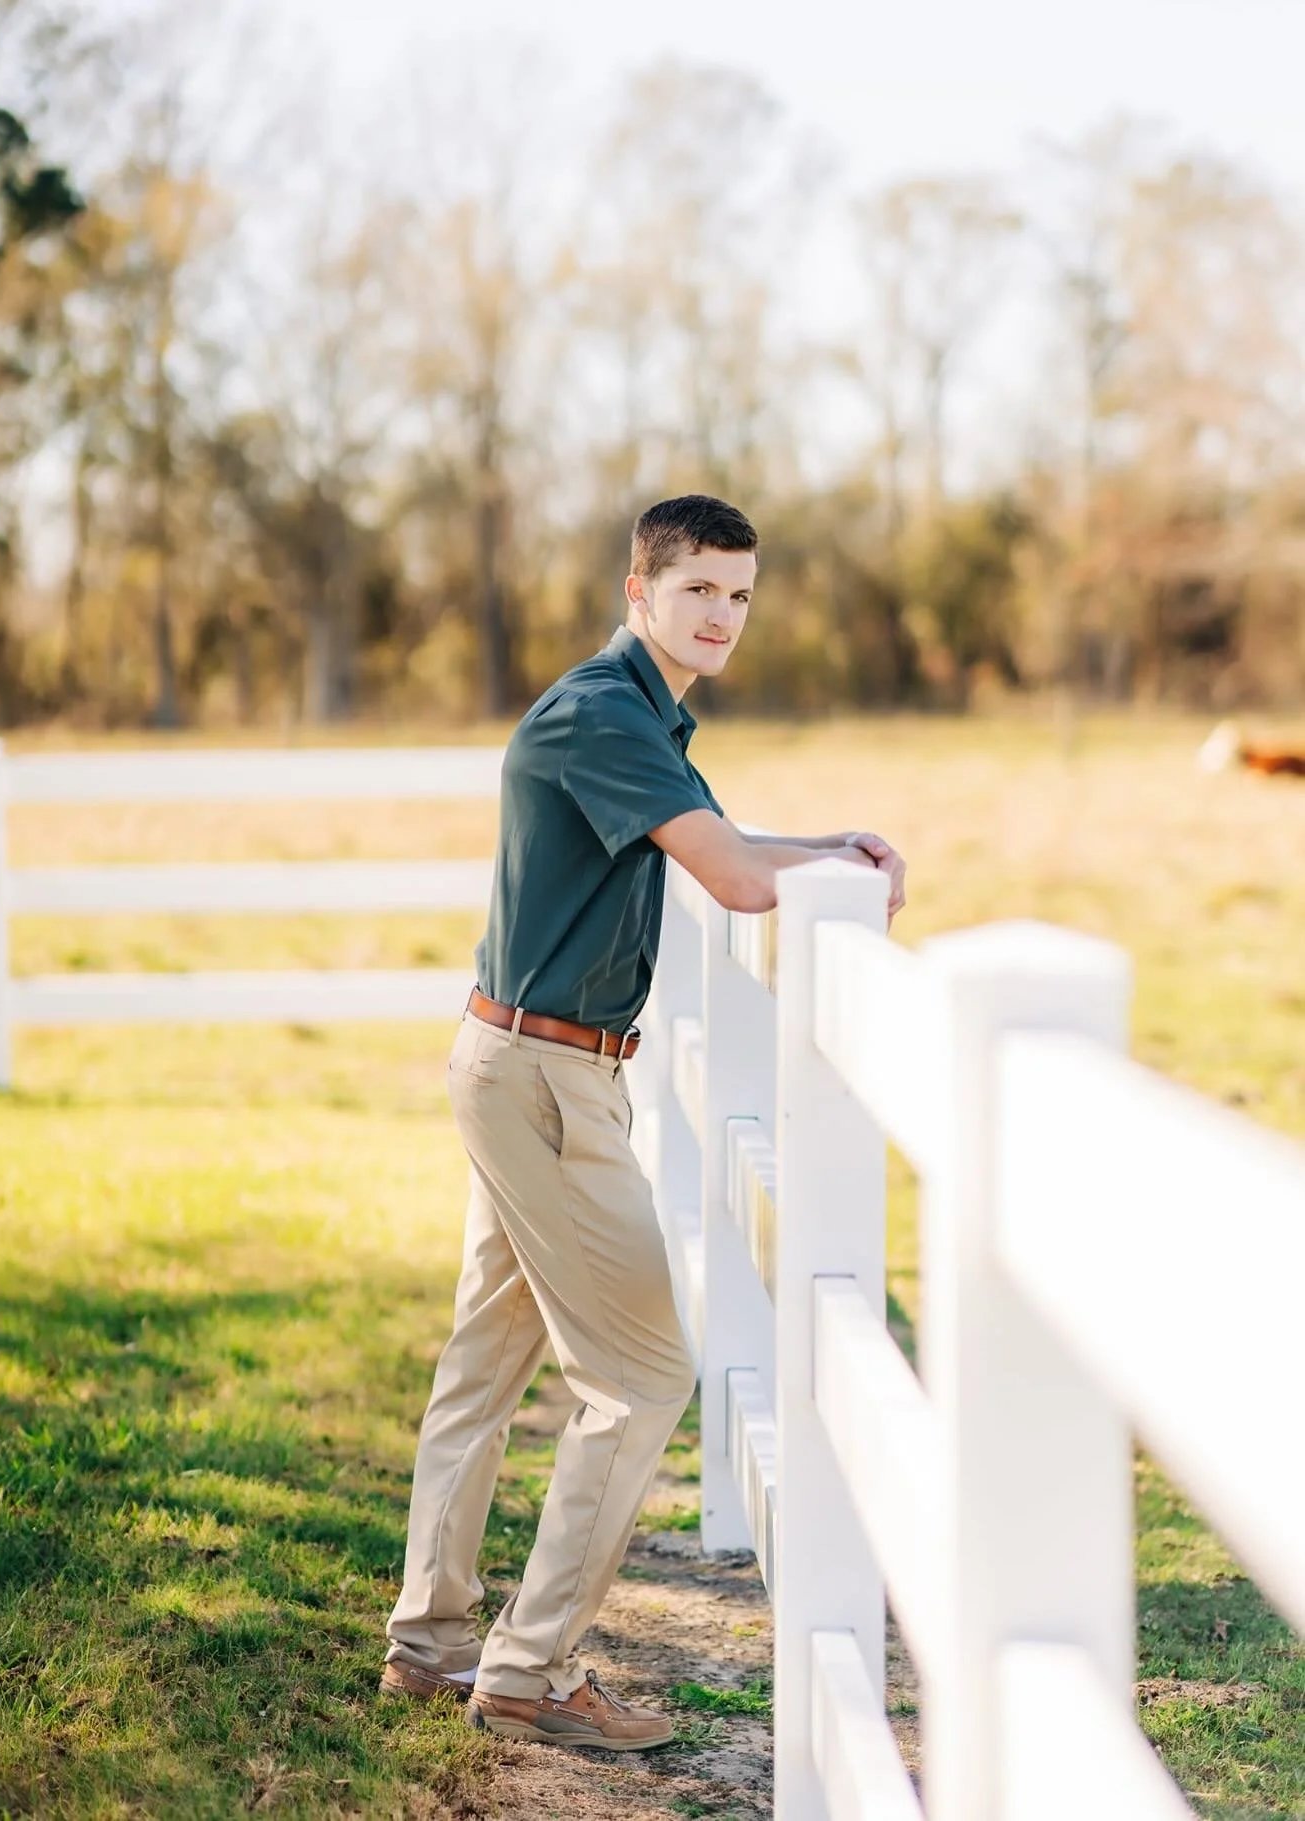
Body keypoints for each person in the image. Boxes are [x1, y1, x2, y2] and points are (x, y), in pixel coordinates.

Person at [380, 494, 906, 1751]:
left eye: (739, 595)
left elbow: (719, 841)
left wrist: (831, 844)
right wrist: (820, 872)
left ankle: (433, 1643)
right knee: (641, 1375)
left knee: (485, 1363)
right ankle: (532, 1670)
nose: (723, 617)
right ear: (641, 594)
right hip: (547, 1080)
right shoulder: (605, 715)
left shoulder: (640, 712)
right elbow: (727, 878)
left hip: (525, 1063)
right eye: (699, 593)